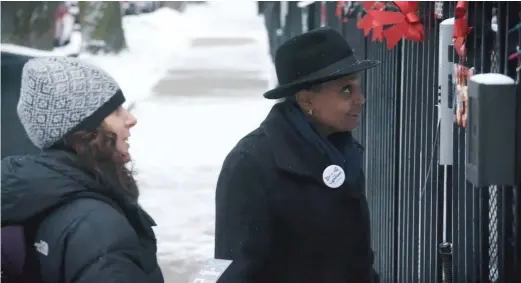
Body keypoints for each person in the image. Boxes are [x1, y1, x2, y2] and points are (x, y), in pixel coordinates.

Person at [214, 27, 380, 283]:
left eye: (358, 87)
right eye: (346, 90)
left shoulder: (342, 151)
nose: (361, 99)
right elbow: (227, 268)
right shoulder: (251, 163)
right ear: (306, 101)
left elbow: (356, 258)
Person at [1, 57, 164, 283]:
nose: (131, 119)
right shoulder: (98, 228)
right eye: (116, 110)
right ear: (87, 130)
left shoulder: (34, 197)